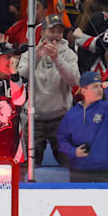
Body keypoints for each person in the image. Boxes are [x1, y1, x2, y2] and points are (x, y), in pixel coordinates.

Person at [18, 16, 80, 166]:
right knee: (29, 167)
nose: (56, 36)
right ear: (43, 33)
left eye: (60, 32)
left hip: (61, 118)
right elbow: (21, 75)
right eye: (52, 31)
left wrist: (57, 59)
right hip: (34, 119)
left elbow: (74, 81)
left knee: (69, 163)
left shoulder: (69, 54)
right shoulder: (29, 54)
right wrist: (37, 57)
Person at [56, 72, 108, 182]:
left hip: (105, 170)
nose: (100, 90)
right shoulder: (72, 113)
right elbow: (61, 140)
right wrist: (73, 151)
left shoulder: (107, 108)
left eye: (101, 86)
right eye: (95, 87)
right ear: (84, 90)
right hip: (78, 171)